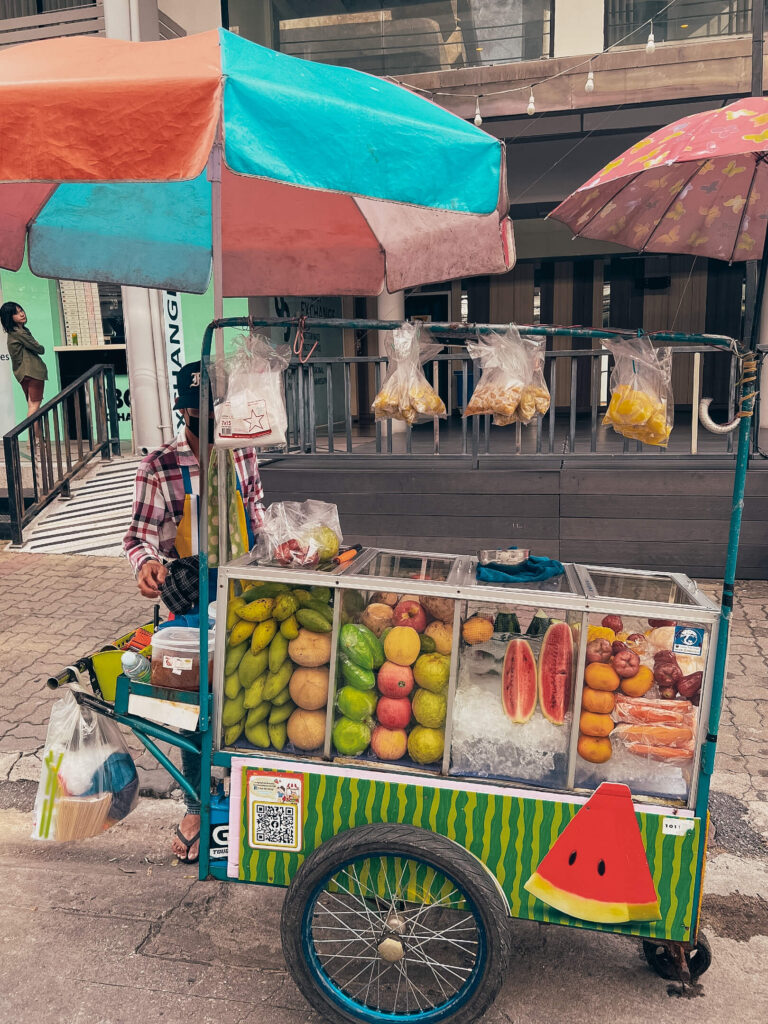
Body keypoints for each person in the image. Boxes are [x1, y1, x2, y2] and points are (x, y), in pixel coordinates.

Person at [123, 361, 265, 863]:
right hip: (188, 603)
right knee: (191, 711)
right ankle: (196, 806)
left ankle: (243, 794)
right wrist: (146, 565)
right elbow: (139, 537)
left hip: (244, 595)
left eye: (215, 409)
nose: (207, 420)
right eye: (198, 410)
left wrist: (278, 543)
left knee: (245, 698)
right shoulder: (158, 466)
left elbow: (255, 512)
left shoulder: (242, 450)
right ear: (184, 411)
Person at [1, 301, 48, 418]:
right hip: (33, 372)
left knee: (32, 406)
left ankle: (35, 431)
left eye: (21, 310)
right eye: (16, 313)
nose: (22, 314)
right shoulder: (20, 333)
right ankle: (33, 431)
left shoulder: (13, 333)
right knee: (34, 407)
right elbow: (40, 349)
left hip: (23, 374)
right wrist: (38, 345)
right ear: (9, 317)